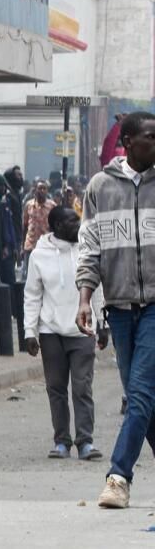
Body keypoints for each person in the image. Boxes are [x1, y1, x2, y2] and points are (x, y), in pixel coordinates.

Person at [77, 111, 155, 510]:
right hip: (119, 308)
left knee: (139, 395)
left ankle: (118, 476)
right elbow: (90, 247)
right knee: (142, 398)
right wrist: (85, 298)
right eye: (150, 137)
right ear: (128, 142)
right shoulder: (100, 187)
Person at [24, 205, 105, 461]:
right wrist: (30, 331)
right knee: (56, 389)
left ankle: (85, 442)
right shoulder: (39, 255)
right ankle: (61, 441)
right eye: (72, 221)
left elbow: (98, 289)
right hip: (51, 331)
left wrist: (103, 323)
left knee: (82, 388)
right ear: (57, 226)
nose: (78, 225)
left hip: (83, 330)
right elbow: (32, 295)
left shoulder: (88, 250)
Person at [0, 173, 20, 285]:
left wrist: (14, 245)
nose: (3, 188)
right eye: (0, 186)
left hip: (8, 246)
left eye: (4, 186)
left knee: (10, 279)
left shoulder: (6, 202)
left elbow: (10, 225)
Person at [22, 180, 56, 269]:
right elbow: (25, 226)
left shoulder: (52, 206)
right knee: (29, 272)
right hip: (30, 246)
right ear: (35, 190)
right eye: (40, 188)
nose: (42, 191)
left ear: (47, 191)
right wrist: (22, 246)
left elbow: (55, 227)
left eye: (44, 188)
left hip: (46, 247)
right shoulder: (28, 205)